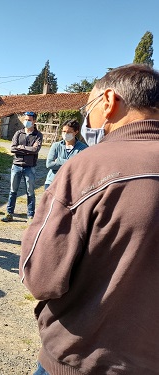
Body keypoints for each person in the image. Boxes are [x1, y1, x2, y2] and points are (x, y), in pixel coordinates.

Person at [20, 64, 159, 375]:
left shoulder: (89, 166)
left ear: (108, 101)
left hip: (83, 358)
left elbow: (41, 277)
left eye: (89, 108)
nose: (85, 121)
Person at [1, 111, 43, 222]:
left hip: (30, 167)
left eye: (29, 120)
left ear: (34, 121)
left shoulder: (38, 135)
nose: (27, 121)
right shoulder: (18, 133)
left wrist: (21, 147)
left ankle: (30, 215)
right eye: (26, 119)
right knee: (12, 191)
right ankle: (9, 213)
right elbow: (12, 148)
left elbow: (35, 149)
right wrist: (27, 149)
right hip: (16, 166)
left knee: (30, 192)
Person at [44, 119, 87, 189]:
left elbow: (79, 167)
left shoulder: (83, 148)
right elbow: (49, 164)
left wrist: (59, 160)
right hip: (52, 182)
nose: (66, 134)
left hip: (71, 184)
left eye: (69, 132)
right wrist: (71, 163)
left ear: (76, 132)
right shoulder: (56, 146)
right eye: (64, 131)